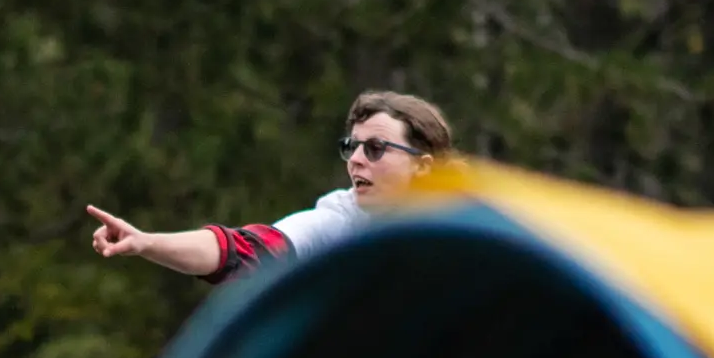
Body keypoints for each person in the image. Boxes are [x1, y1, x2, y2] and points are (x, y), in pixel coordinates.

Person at [86, 89, 454, 285]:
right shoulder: (343, 219)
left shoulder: (478, 223)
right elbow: (247, 250)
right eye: (350, 147)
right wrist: (149, 242)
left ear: (422, 167)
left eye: (375, 149)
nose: (356, 159)